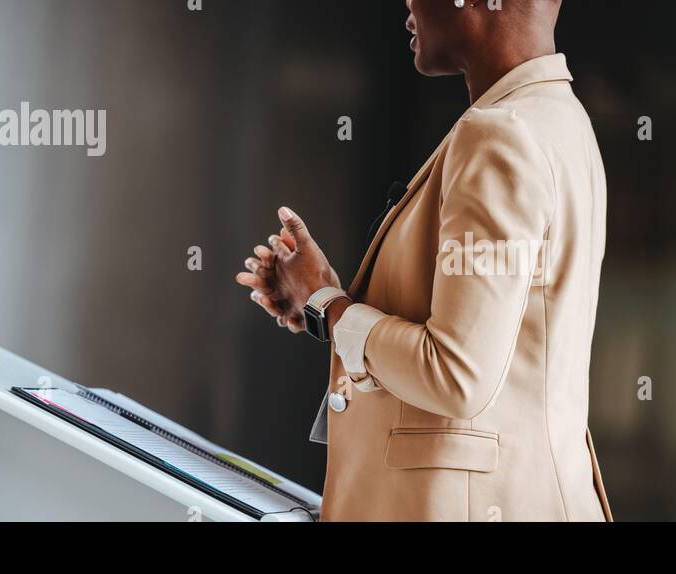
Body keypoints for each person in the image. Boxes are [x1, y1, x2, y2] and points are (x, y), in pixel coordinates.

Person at [235, 0, 610, 521]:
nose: (408, 6)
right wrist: (324, 309)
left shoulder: (498, 136)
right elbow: (507, 344)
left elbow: (457, 374)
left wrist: (329, 303)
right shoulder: (563, 121)